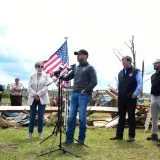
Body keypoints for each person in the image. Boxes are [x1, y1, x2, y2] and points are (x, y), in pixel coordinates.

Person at [60, 49, 97, 144]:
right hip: (74, 94)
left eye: (79, 55)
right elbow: (68, 77)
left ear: (85, 56)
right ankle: (69, 139)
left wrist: (86, 90)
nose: (77, 56)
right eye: (77, 55)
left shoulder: (90, 68)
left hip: (83, 95)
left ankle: (81, 140)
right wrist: (60, 76)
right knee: (71, 116)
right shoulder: (76, 67)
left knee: (81, 117)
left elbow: (94, 82)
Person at [110, 56, 143, 142]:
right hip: (121, 97)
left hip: (131, 98)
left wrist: (135, 94)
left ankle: (131, 136)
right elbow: (118, 83)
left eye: (124, 62)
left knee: (131, 116)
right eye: (122, 62)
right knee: (121, 116)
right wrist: (117, 90)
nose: (122, 63)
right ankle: (119, 135)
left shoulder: (136, 71)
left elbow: (140, 84)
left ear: (129, 62)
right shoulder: (121, 72)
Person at [27, 61, 50, 139]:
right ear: (35, 67)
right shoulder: (31, 76)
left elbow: (46, 87)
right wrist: (34, 94)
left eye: (41, 66)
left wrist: (38, 94)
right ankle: (30, 133)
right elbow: (29, 87)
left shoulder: (46, 76)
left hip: (42, 98)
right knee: (32, 116)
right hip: (33, 98)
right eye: (38, 66)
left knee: (41, 116)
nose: (40, 68)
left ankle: (40, 133)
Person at [146, 59, 160, 146]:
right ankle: (154, 135)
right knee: (154, 118)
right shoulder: (153, 76)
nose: (154, 65)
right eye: (153, 63)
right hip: (154, 97)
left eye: (156, 63)